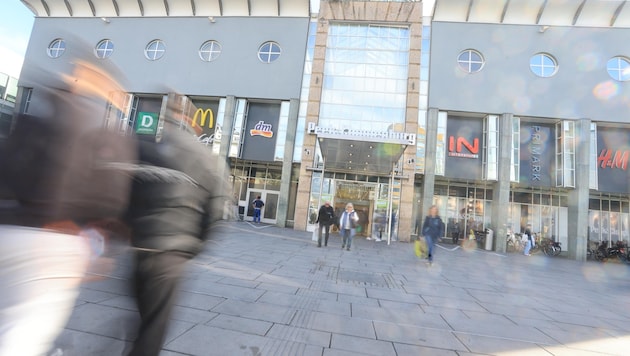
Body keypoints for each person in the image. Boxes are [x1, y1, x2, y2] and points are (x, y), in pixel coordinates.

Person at [0, 54, 136, 355]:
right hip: (55, 241)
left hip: (7, 229)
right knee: (23, 332)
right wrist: (98, 248)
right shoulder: (105, 131)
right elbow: (109, 198)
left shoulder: (30, 118)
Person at [124, 95, 228, 356]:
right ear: (194, 122)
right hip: (171, 255)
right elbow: (215, 213)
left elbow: (124, 193)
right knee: (152, 328)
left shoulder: (144, 146)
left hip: (138, 249)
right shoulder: (207, 158)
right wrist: (195, 246)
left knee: (142, 317)